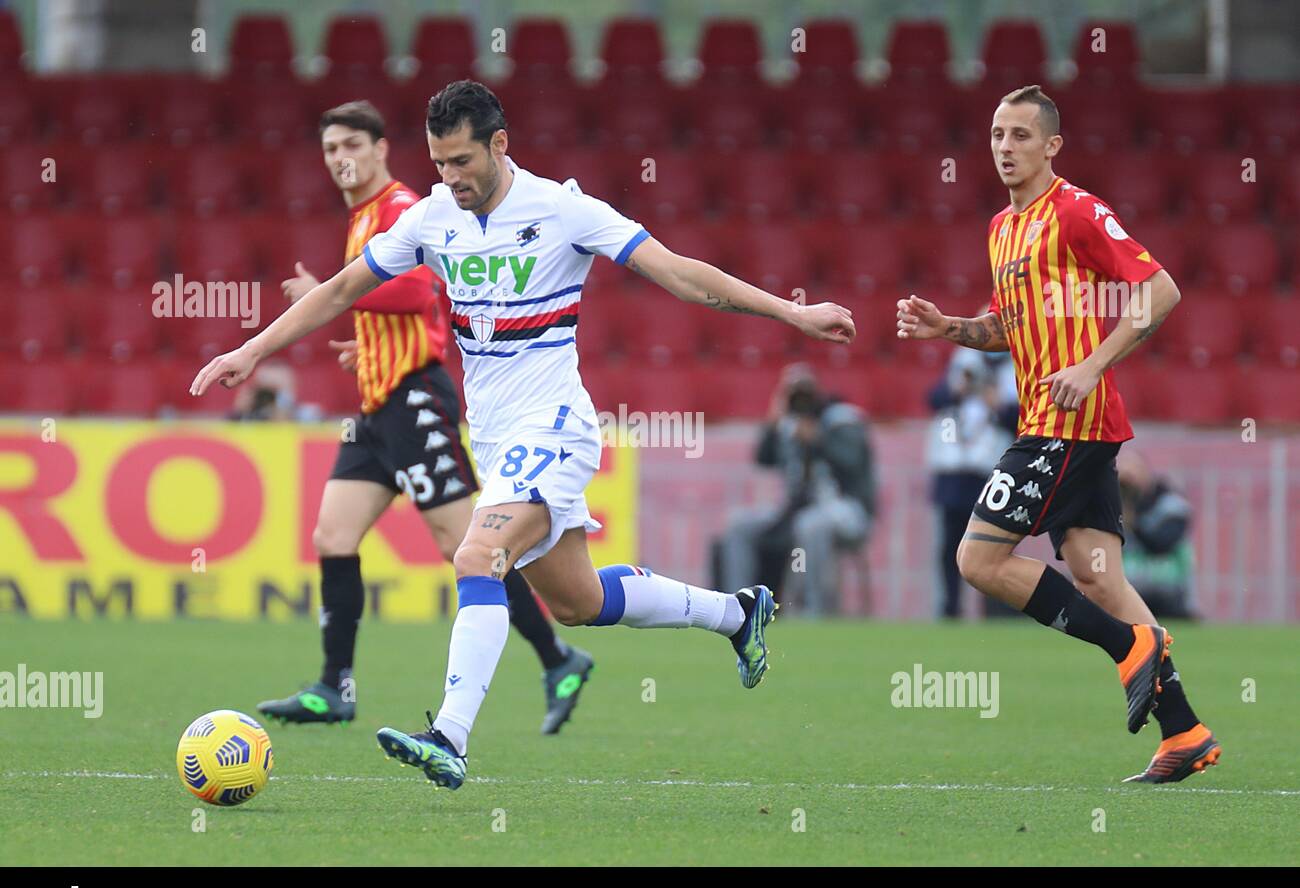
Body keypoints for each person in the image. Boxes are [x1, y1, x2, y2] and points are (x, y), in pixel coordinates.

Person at [192, 80, 855, 791]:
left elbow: (680, 275)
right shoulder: (432, 219)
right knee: (579, 602)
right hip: (499, 438)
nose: (450, 179)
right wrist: (253, 349)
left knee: (478, 556)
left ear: (500, 144)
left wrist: (792, 314)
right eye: (439, 164)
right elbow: (339, 291)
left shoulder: (563, 209)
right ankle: (737, 612)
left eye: (462, 162)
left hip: (558, 428)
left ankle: (449, 735)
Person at [896, 85, 1218, 784]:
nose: (1005, 148)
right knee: (1103, 582)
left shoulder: (1075, 211)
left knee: (978, 561)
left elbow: (1160, 289)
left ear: (1051, 146)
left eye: (1019, 135)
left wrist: (1093, 362)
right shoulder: (1001, 229)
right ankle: (1184, 730)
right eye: (996, 135)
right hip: (1061, 422)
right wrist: (948, 327)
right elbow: (1005, 328)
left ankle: (1126, 652)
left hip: (1066, 421)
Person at [253, 100, 596, 736]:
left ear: (382, 149)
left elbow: (417, 291)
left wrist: (328, 294)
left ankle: (558, 656)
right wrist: (365, 339)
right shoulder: (365, 215)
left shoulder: (409, 206)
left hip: (415, 398)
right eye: (330, 149)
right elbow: (403, 308)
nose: (340, 159)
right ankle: (335, 686)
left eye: (352, 144)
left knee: (463, 546)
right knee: (333, 537)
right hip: (376, 403)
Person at [717, 364, 876, 615]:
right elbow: (762, 458)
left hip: (846, 508)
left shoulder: (840, 419)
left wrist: (818, 439)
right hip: (793, 509)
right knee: (739, 525)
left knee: (810, 525)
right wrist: (773, 420)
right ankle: (737, 611)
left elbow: (852, 462)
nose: (801, 401)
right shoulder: (787, 424)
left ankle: (814, 610)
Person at [925, 349, 1016, 618]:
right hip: (954, 470)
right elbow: (934, 398)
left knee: (994, 545)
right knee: (951, 547)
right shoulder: (962, 361)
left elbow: (1022, 420)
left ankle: (997, 610)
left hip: (991, 470)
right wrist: (959, 388)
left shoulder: (1014, 371)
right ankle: (950, 608)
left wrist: (997, 403)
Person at [1117, 451, 1197, 620]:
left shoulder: (1172, 506)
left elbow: (1161, 544)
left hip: (1165, 586)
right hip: (1122, 585)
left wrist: (1133, 522)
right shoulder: (1113, 509)